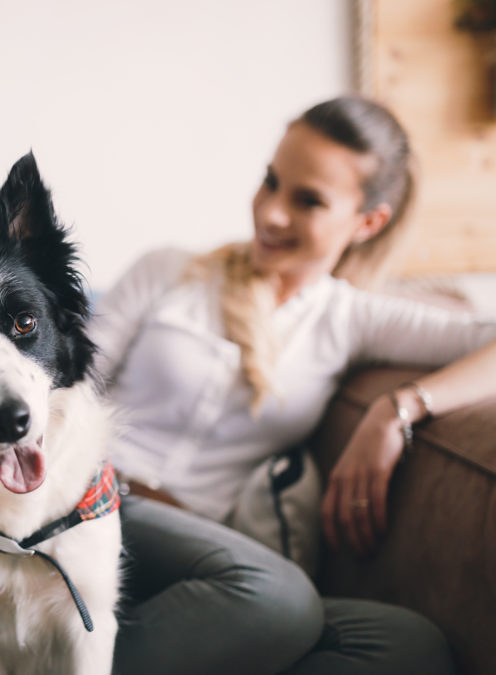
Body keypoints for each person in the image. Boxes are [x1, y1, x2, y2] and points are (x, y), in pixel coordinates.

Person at [92, 95, 496, 674]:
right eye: (270, 182)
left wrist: (398, 408)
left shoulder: (350, 320)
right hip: (97, 507)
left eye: (307, 200)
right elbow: (62, 392)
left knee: (407, 645)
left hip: (205, 568)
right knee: (279, 601)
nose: (271, 213)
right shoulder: (167, 271)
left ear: (367, 223)